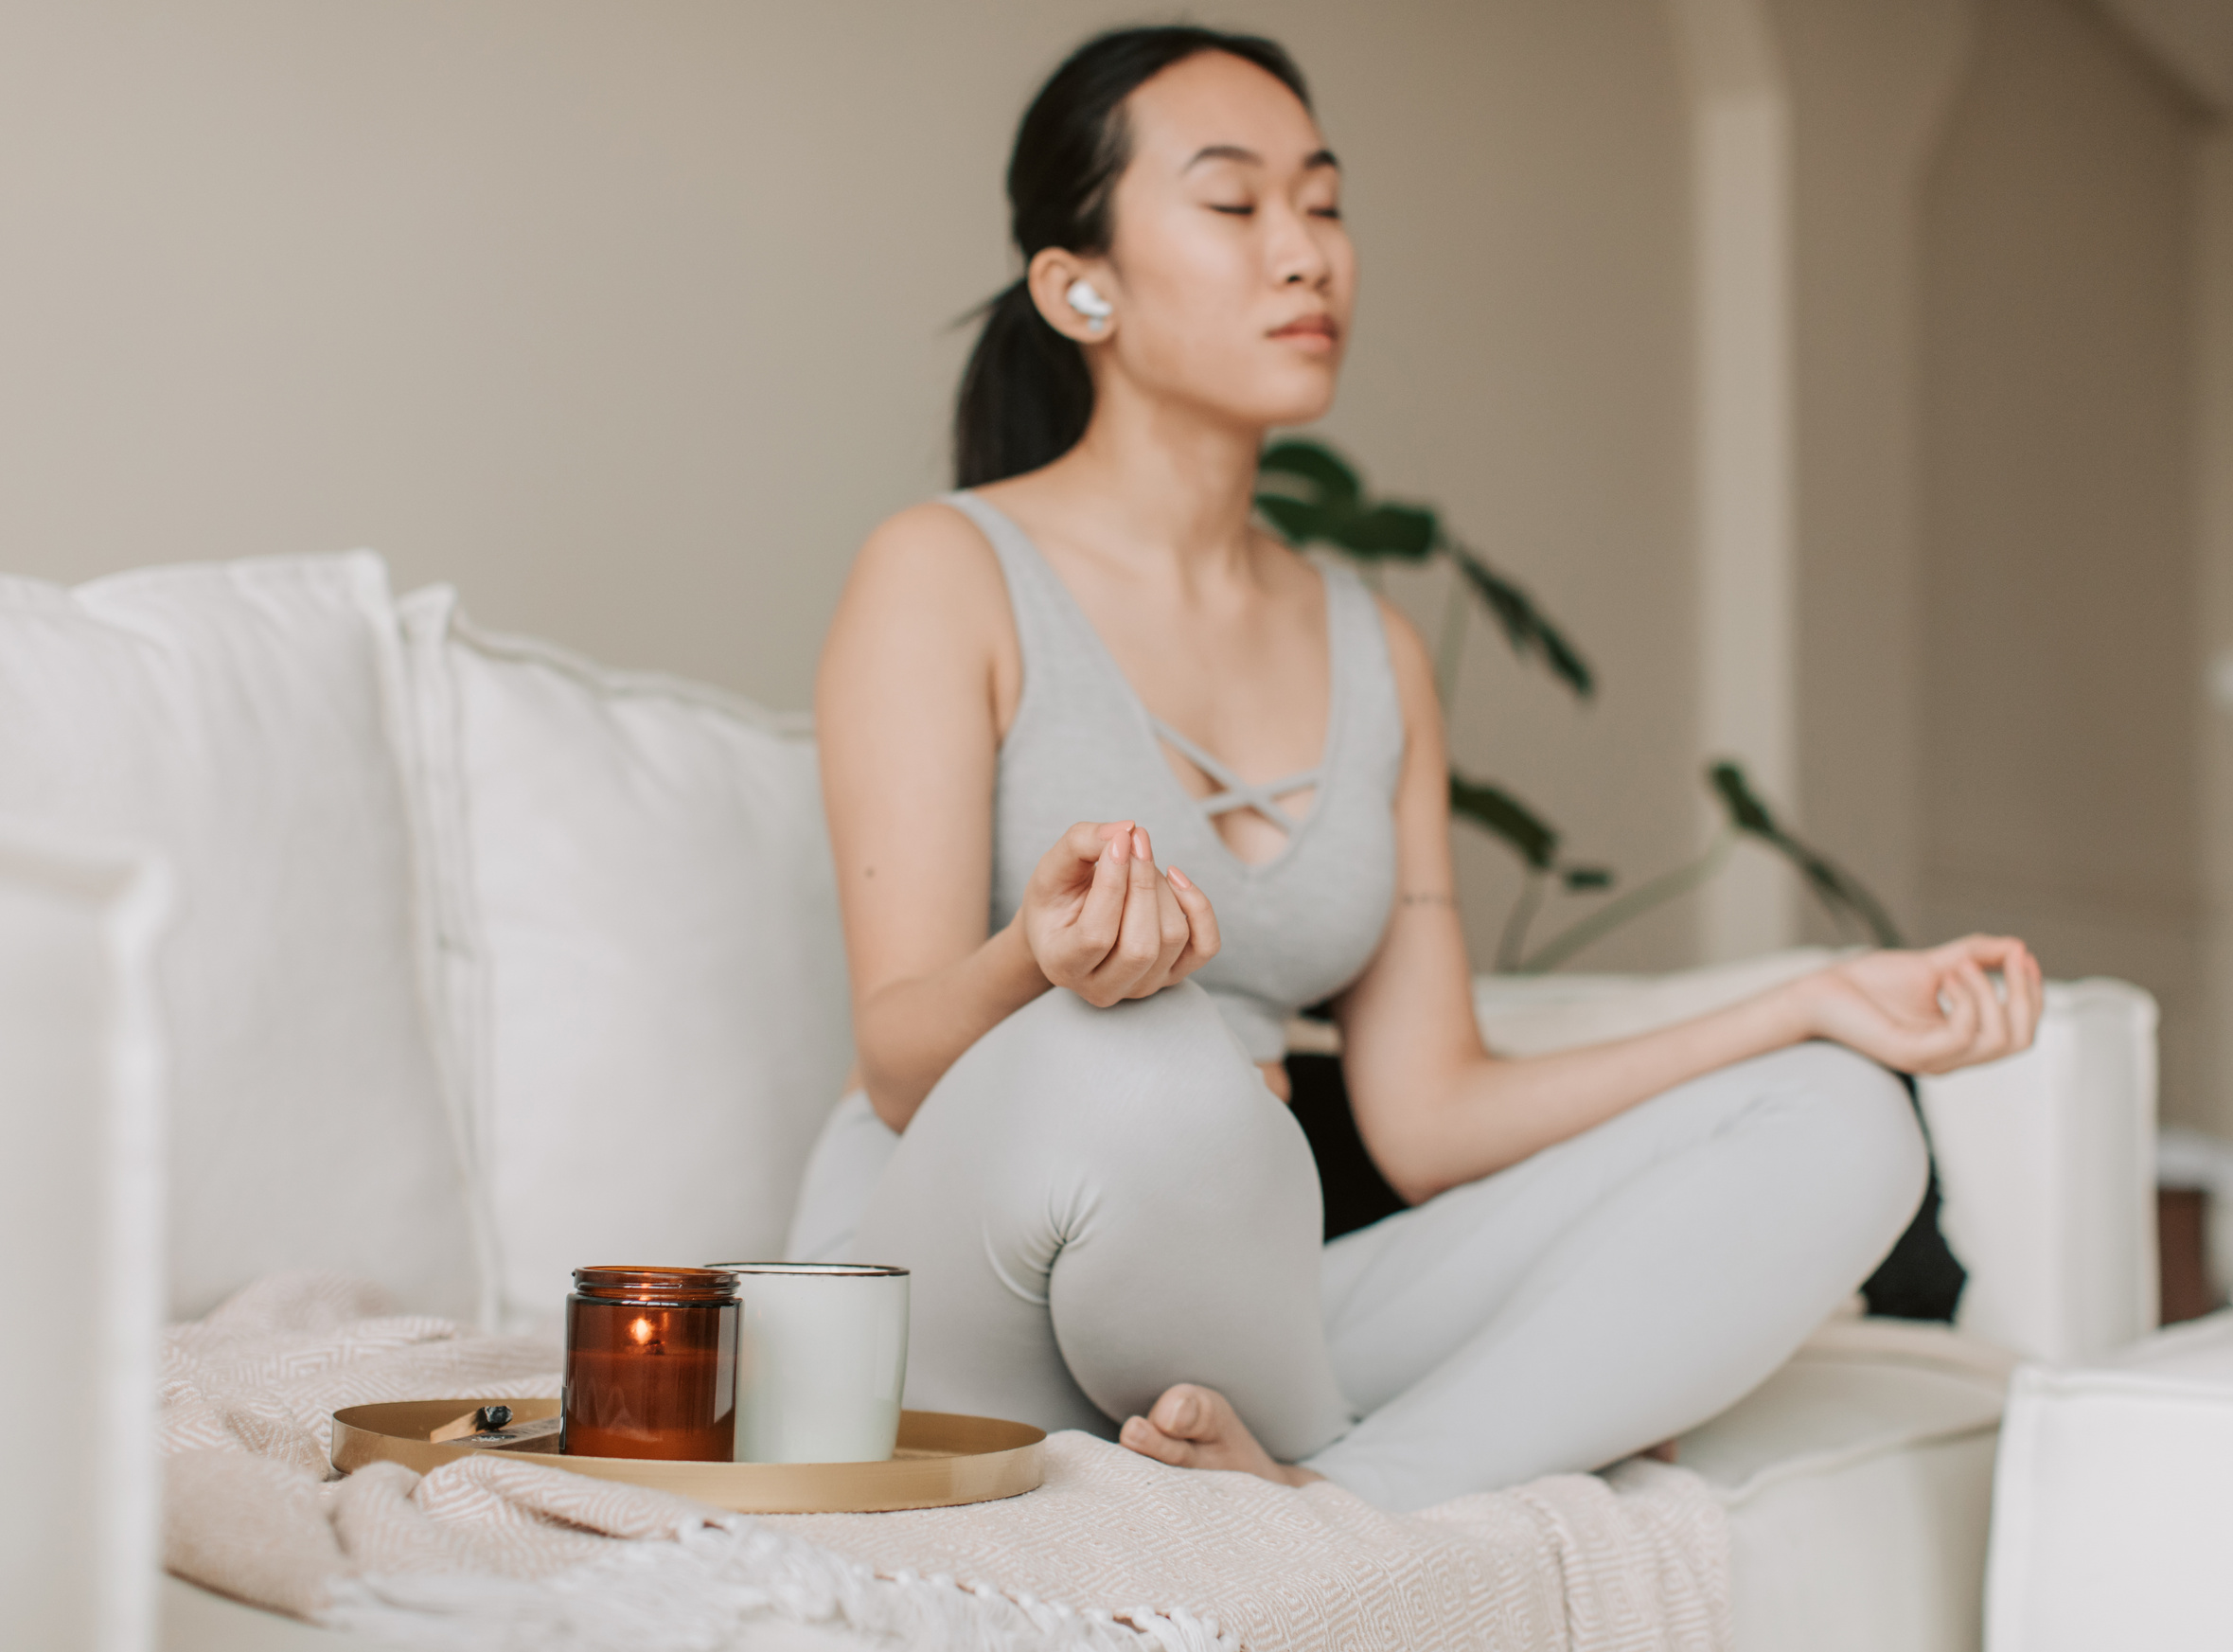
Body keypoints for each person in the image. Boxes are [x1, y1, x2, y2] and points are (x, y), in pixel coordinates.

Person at [787, 25, 2042, 1513]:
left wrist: (1802, 1003)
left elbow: (1429, 1117)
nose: (1305, 252)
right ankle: (1354, 1454)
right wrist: (1040, 962)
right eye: (1234, 203)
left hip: (1243, 1296)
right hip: (964, 1282)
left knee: (1843, 1116)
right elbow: (900, 1062)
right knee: (1150, 1048)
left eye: (1321, 202)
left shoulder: (1373, 649)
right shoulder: (945, 569)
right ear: (1081, 285)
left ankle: (1344, 1505)